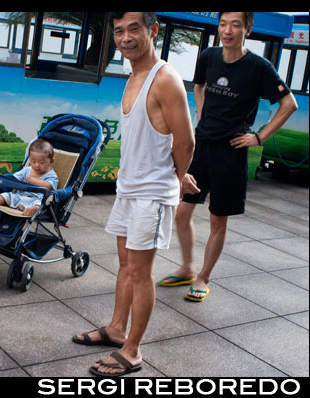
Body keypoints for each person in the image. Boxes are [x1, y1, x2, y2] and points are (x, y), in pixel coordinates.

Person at [72, 12, 196, 376]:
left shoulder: (165, 79)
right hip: (129, 189)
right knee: (126, 265)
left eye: (134, 29)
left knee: (141, 272)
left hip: (152, 194)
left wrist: (178, 176)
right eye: (119, 31)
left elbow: (186, 140)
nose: (125, 38)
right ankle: (115, 329)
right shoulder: (134, 76)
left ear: (153, 30)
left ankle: (133, 350)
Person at [157, 12, 298, 302]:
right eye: (223, 24)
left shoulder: (259, 67)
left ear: (248, 28)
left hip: (231, 152)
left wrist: (258, 137)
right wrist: (200, 112)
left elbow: (289, 104)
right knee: (182, 212)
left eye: (235, 25)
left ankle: (203, 277)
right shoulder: (209, 56)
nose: (228, 30)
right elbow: (198, 85)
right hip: (202, 146)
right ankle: (186, 267)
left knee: (217, 219)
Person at [0, 138, 59, 217]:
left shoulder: (51, 175)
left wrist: (33, 181)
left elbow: (48, 186)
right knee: (7, 196)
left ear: (51, 161)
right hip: (20, 196)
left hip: (35, 198)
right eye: (33, 161)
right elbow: (15, 179)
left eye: (41, 162)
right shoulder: (27, 170)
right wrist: (18, 186)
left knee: (38, 203)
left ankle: (34, 210)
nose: (36, 165)